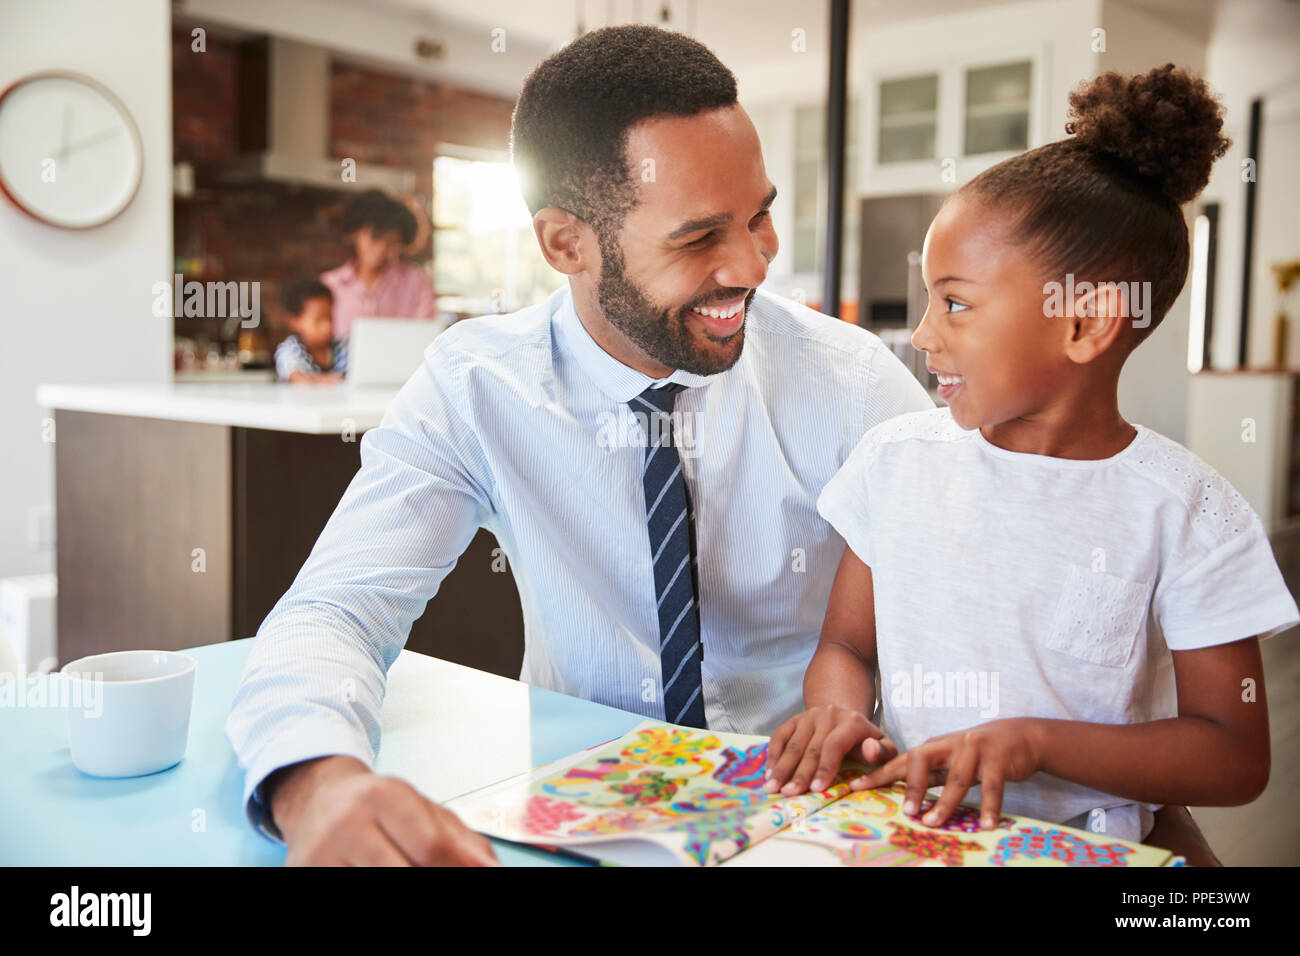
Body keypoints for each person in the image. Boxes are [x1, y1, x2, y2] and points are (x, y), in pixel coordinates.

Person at [224, 23, 934, 866]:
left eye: (761, 216)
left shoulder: (852, 384)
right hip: (575, 818)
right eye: (700, 236)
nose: (752, 263)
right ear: (566, 243)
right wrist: (318, 783)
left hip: (813, 818)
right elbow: (334, 611)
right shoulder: (477, 385)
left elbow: (958, 617)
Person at [762, 65, 1299, 866]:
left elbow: (1233, 754)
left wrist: (1035, 743)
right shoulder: (895, 463)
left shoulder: (1190, 512)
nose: (922, 333)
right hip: (911, 834)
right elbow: (847, 648)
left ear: (1084, 322)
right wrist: (840, 711)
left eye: (956, 302)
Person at [321, 189, 437, 339]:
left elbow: (425, 338)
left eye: (392, 243)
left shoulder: (418, 283)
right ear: (355, 234)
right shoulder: (330, 285)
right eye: (375, 239)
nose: (382, 249)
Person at [274, 278, 347, 383]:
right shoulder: (290, 350)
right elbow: (300, 380)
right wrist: (339, 380)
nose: (327, 326)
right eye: (319, 320)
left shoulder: (344, 347)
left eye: (329, 317)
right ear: (294, 321)